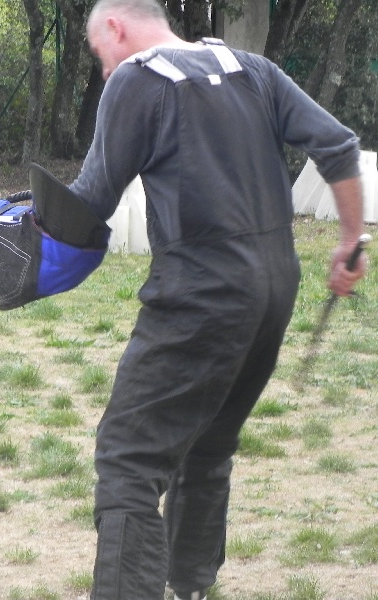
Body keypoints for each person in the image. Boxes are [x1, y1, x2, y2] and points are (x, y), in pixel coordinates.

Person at [67, 1, 368, 599]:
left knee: (129, 460)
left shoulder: (137, 78)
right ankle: (190, 588)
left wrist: (23, 224)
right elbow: (337, 145)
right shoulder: (250, 67)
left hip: (201, 292)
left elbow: (91, 200)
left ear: (116, 28)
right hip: (274, 286)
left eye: (100, 55)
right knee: (208, 444)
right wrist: (349, 240)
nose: (104, 71)